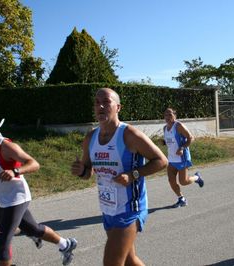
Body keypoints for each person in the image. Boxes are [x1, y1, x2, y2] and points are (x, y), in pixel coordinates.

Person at [71, 88, 167, 266]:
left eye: (106, 102)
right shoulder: (90, 137)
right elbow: (87, 172)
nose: (100, 106)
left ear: (118, 107)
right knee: (130, 261)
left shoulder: (129, 135)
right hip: (108, 208)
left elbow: (161, 161)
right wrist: (81, 171)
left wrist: (133, 175)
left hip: (130, 209)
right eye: (97, 102)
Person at [0, 113, 77, 266]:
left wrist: (15, 172)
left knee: (2, 241)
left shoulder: (5, 147)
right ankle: (66, 244)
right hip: (2, 199)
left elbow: (34, 163)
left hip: (17, 197)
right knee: (34, 229)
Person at [162, 108, 204, 208]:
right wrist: (164, 142)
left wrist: (181, 147)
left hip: (181, 158)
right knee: (171, 181)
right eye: (166, 115)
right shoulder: (165, 128)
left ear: (175, 116)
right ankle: (181, 199)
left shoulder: (178, 126)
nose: (167, 117)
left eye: (170, 114)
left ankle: (197, 177)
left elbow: (191, 138)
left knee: (183, 182)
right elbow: (171, 140)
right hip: (171, 159)